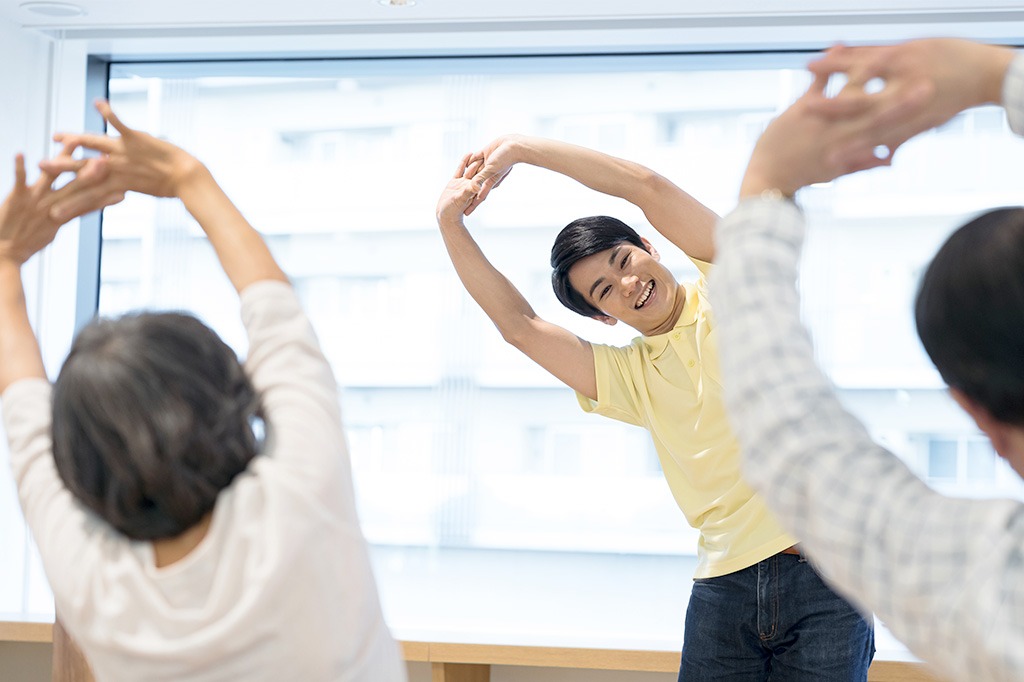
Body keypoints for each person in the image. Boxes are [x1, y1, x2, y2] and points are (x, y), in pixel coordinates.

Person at [435, 135, 874, 680]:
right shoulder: (629, 378)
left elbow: (645, 186)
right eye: (604, 291)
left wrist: (523, 150)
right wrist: (451, 224)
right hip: (723, 586)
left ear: (649, 244)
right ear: (601, 317)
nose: (628, 284)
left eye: (624, 260)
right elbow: (519, 328)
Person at [2, 101, 407, 681]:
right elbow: (276, 312)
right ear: (238, 395)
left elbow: (21, 402)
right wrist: (186, 177)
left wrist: (4, 258)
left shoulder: (87, 577)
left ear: (73, 463)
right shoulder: (298, 497)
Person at [714, 38, 1024, 682]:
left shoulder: (998, 594)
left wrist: (766, 185)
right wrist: (997, 75)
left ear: (971, 410)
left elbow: (796, 445)